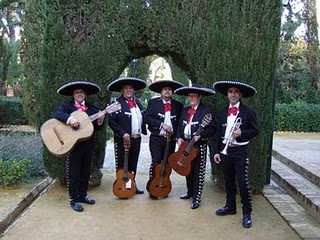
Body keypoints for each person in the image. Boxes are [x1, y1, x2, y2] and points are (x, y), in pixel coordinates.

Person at [50, 80, 105, 212]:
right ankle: (73, 199)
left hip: (88, 145)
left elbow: (98, 128)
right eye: (77, 92)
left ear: (85, 94)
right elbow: (56, 114)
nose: (79, 94)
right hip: (73, 145)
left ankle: (83, 195)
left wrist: (100, 119)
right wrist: (70, 119)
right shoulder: (66, 106)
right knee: (73, 173)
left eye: (81, 92)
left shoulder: (93, 109)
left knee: (85, 172)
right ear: (73, 95)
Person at [212, 80, 258, 228]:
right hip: (226, 151)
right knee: (228, 181)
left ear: (240, 95)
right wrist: (218, 151)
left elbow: (255, 130)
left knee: (243, 182)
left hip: (240, 152)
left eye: (236, 92)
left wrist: (241, 133)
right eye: (230, 92)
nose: (233, 94)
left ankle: (247, 213)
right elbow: (219, 133)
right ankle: (230, 206)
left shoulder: (248, 111)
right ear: (227, 94)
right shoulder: (223, 111)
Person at [174, 83, 216, 209]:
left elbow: (212, 128)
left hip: (199, 146)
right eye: (189, 96)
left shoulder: (206, 110)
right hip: (185, 144)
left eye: (193, 96)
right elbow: (180, 127)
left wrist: (201, 135)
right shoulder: (185, 110)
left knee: (198, 171)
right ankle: (189, 192)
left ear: (199, 97)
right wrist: (179, 137)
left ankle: (197, 198)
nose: (191, 98)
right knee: (187, 169)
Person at [144, 79, 184, 199]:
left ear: (172, 92)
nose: (167, 91)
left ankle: (164, 185)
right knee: (156, 163)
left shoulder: (178, 105)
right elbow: (147, 118)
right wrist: (162, 124)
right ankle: (153, 187)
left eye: (169, 89)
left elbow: (179, 125)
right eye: (165, 89)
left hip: (170, 140)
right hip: (157, 138)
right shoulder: (153, 103)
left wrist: (178, 137)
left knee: (167, 164)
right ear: (161, 91)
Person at [108, 77, 147, 194]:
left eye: (130, 88)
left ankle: (131, 185)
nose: (129, 90)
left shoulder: (137, 103)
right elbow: (112, 122)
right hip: (122, 140)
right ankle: (121, 185)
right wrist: (123, 133)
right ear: (122, 90)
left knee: (133, 164)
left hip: (136, 138)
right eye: (126, 88)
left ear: (133, 90)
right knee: (122, 164)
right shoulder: (116, 103)